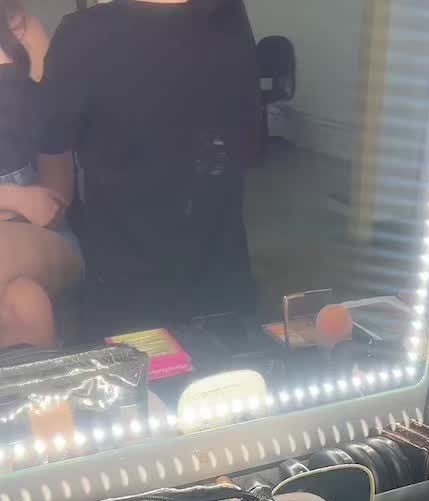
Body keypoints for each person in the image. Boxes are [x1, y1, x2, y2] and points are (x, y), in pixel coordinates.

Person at [39, 0, 261, 336]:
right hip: (221, 286)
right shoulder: (228, 18)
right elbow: (246, 143)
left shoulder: (83, 34)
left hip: (128, 290)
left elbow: (54, 165)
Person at [0, 0, 82, 348]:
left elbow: (53, 199)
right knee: (26, 304)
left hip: (39, 229)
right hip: (16, 204)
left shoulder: (21, 27)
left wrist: (17, 202)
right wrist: (10, 199)